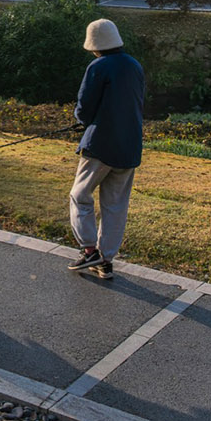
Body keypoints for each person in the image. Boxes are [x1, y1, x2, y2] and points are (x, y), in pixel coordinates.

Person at [67, 18, 144, 281]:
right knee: (115, 205)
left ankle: (89, 250)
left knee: (80, 194)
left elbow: (84, 108)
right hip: (130, 146)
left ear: (94, 46)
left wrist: (82, 121)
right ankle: (105, 259)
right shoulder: (134, 65)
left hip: (101, 144)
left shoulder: (98, 67)